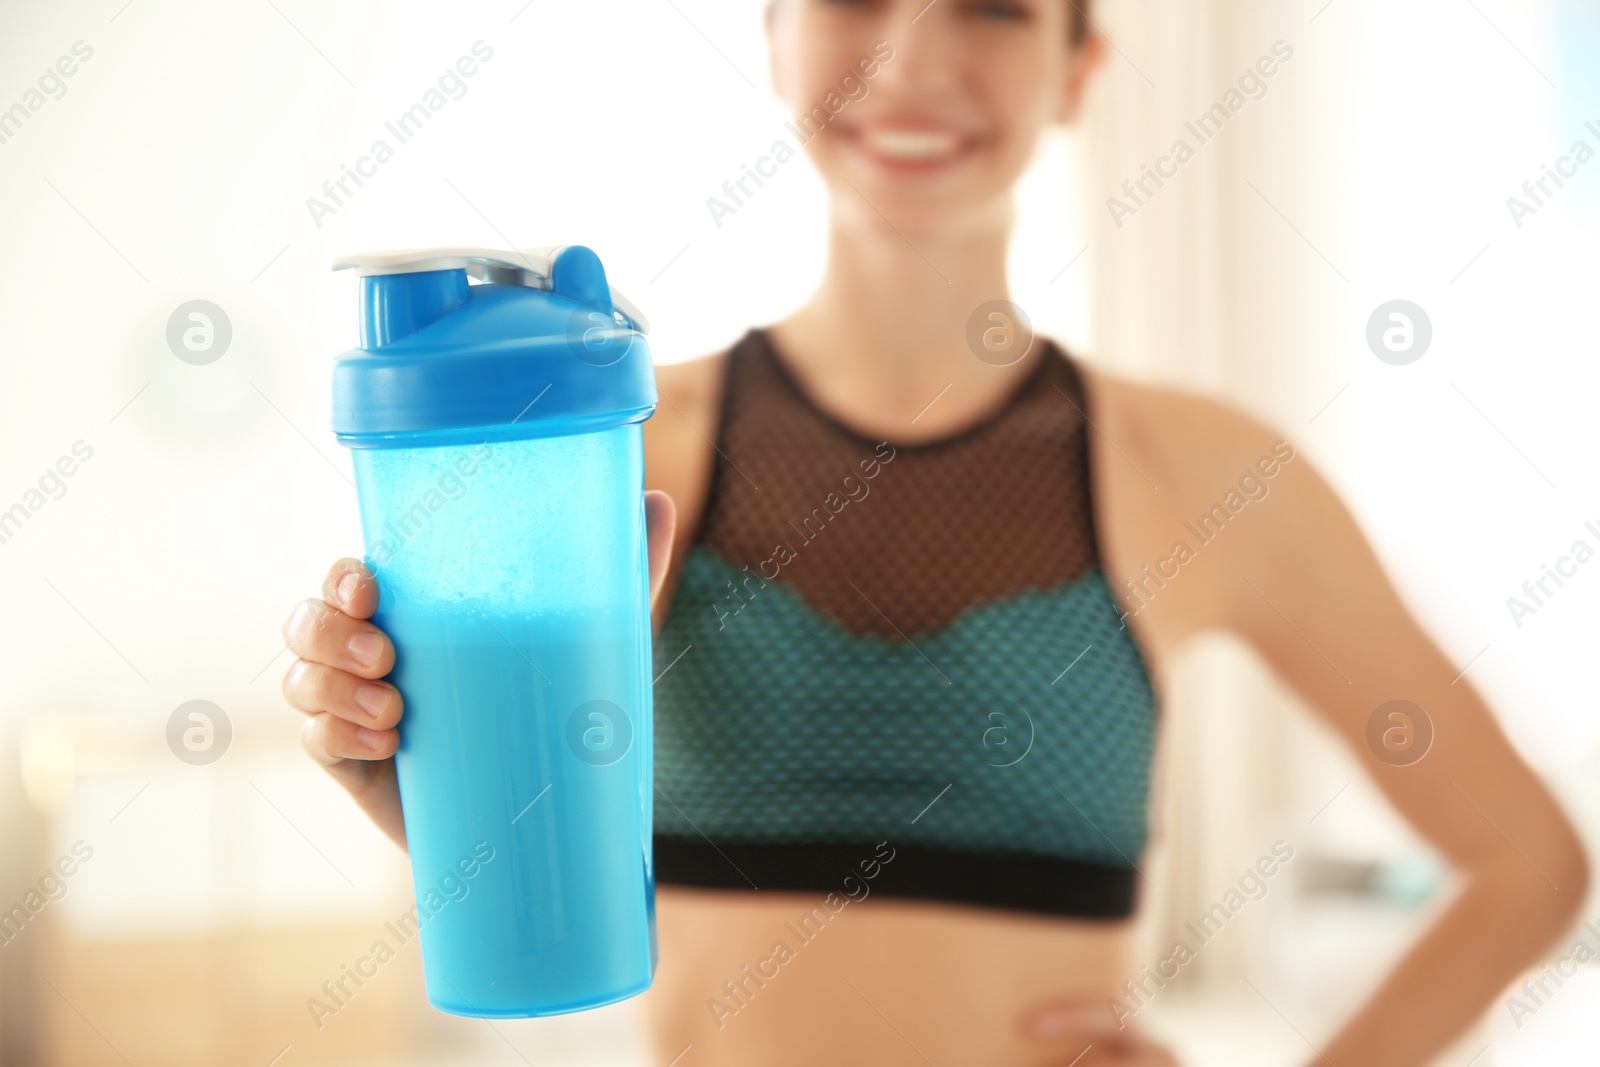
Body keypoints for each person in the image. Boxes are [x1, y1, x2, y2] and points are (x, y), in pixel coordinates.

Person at [281, 1, 1589, 1063]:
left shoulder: (1204, 477)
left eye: (993, 7)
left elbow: (1528, 862)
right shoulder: (608, 455)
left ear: (1080, 66)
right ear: (775, 37)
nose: (911, 55)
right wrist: (428, 784)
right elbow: (535, 850)